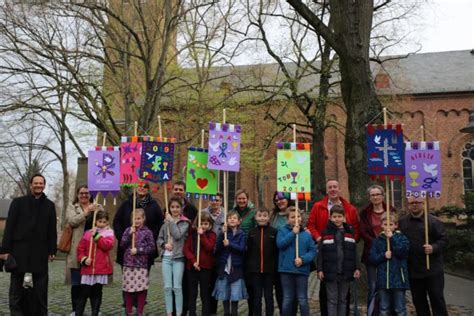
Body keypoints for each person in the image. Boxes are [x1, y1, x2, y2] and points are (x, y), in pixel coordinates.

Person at [2, 174, 57, 315]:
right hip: (19, 251)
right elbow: (10, 227)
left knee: (41, 289)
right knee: (15, 289)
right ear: (31, 185)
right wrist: (4, 250)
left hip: (40, 252)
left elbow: (52, 230)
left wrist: (52, 250)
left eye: (41, 183)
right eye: (36, 183)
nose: (38, 185)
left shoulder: (50, 205)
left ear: (44, 185)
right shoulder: (18, 203)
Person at [308, 179, 360, 316]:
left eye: (335, 187)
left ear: (339, 189)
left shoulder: (349, 208)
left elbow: (355, 227)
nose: (332, 189)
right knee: (328, 295)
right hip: (326, 251)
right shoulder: (318, 206)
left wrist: (352, 239)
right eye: (330, 187)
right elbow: (311, 225)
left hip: (345, 260)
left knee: (343, 297)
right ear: (327, 190)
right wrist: (319, 238)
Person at [399, 196, 448, 316]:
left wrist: (434, 247)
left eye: (417, 202)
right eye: (411, 203)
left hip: (432, 269)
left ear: (423, 203)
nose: (414, 205)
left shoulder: (434, 222)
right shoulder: (402, 222)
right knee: (419, 302)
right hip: (413, 270)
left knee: (437, 299)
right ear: (408, 204)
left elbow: (444, 240)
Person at [317, 205, 361, 316]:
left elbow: (354, 252)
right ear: (330, 218)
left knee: (343, 300)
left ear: (344, 217)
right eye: (334, 216)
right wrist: (320, 269)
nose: (337, 219)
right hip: (330, 271)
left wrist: (357, 268)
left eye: (339, 216)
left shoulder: (349, 231)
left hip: (346, 271)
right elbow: (320, 253)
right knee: (332, 300)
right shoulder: (326, 232)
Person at [65, 185, 102, 315]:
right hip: (77, 249)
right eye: (81, 193)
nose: (84, 195)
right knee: (76, 283)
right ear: (77, 194)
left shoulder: (97, 206)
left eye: (86, 193)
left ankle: (95, 310)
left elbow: (103, 221)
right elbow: (71, 221)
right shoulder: (72, 207)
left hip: (94, 249)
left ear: (90, 194)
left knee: (93, 283)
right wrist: (86, 213)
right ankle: (75, 310)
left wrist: (95, 211)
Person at [360, 185, 396, 315]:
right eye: (372, 195)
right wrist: (377, 243)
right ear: (369, 197)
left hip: (389, 253)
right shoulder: (365, 212)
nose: (375, 197)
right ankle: (372, 312)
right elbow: (363, 231)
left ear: (383, 195)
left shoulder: (391, 210)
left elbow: (396, 228)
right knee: (373, 285)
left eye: (377, 194)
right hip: (372, 253)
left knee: (388, 285)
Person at [277, 206, 317, 316]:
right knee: (288, 298)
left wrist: (303, 260)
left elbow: (313, 250)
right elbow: (280, 244)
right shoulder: (282, 231)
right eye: (292, 217)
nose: (296, 219)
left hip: (302, 270)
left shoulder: (306, 234)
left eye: (298, 216)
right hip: (286, 270)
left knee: (302, 299)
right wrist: (292, 233)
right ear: (287, 219)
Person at [114, 182, 163, 270]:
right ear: (136, 188)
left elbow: (160, 223)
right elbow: (117, 221)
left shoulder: (154, 205)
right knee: (128, 279)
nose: (142, 188)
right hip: (127, 249)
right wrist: (122, 236)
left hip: (144, 249)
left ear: (148, 189)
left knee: (142, 280)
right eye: (140, 186)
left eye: (145, 187)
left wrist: (152, 236)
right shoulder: (126, 203)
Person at [369, 213, 410, 316]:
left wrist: (392, 239)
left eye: (390, 224)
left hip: (398, 280)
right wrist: (383, 255)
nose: (388, 227)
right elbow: (372, 258)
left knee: (400, 309)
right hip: (383, 280)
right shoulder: (378, 240)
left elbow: (403, 252)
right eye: (385, 224)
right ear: (381, 225)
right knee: (384, 308)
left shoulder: (402, 238)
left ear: (396, 225)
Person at [76, 210, 114, 316]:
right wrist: (84, 259)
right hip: (88, 269)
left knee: (97, 293)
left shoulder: (109, 233)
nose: (101, 224)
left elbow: (107, 246)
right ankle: (78, 313)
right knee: (84, 293)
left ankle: (95, 312)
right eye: (99, 221)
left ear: (107, 222)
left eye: (104, 222)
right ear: (95, 221)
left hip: (100, 269)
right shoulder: (88, 233)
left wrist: (97, 237)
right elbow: (80, 249)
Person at [158, 197, 191, 316]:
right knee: (167, 287)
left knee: (177, 287)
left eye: (177, 207)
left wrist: (171, 221)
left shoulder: (185, 222)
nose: (175, 209)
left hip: (178, 258)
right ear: (169, 208)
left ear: (181, 208)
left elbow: (177, 235)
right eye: (172, 207)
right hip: (166, 258)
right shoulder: (165, 223)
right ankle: (169, 312)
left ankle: (178, 312)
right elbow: (159, 239)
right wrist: (164, 244)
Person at [120, 208, 156, 316]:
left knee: (141, 289)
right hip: (128, 264)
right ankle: (129, 311)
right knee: (128, 289)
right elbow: (122, 244)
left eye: (139, 218)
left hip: (141, 265)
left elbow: (152, 248)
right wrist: (129, 234)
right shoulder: (128, 230)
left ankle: (140, 311)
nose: (137, 221)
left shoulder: (147, 232)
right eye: (134, 219)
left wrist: (139, 250)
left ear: (143, 219)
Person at [212, 211, 248, 316]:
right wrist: (222, 234)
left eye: (234, 218)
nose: (232, 220)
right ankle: (226, 313)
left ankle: (234, 313)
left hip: (236, 268)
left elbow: (242, 249)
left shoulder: (242, 234)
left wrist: (230, 244)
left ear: (239, 221)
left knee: (234, 294)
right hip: (224, 267)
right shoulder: (224, 233)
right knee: (225, 293)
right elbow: (217, 248)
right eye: (229, 218)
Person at [246, 207, 278, 316]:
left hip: (269, 271)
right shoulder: (251, 232)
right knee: (257, 297)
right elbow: (248, 251)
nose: (262, 218)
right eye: (260, 215)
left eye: (265, 216)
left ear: (269, 218)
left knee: (269, 296)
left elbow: (276, 251)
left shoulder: (274, 232)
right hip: (255, 271)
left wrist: (275, 268)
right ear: (255, 218)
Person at [183, 212, 217, 316]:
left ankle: (205, 313)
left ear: (210, 225)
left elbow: (209, 247)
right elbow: (186, 249)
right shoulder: (192, 234)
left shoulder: (212, 235)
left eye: (206, 224)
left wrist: (202, 235)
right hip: (192, 267)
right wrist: (193, 261)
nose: (203, 226)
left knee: (204, 293)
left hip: (206, 268)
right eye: (201, 223)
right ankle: (192, 313)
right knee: (192, 293)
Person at [231, 188, 256, 316]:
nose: (241, 200)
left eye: (243, 198)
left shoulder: (253, 213)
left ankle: (251, 310)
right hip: (235, 251)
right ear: (236, 200)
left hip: (248, 251)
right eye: (239, 198)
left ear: (247, 199)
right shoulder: (232, 212)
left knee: (250, 282)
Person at [271, 192, 294, 314]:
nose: (279, 201)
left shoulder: (296, 213)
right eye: (276, 200)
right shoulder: (272, 216)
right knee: (280, 288)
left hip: (293, 257)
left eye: (282, 198)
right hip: (277, 258)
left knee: (292, 290)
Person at [202, 193, 225, 315]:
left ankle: (213, 310)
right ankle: (206, 308)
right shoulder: (203, 212)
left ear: (221, 201)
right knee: (206, 283)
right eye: (212, 199)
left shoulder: (225, 215)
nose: (215, 202)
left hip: (219, 254)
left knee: (215, 282)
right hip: (205, 253)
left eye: (217, 200)